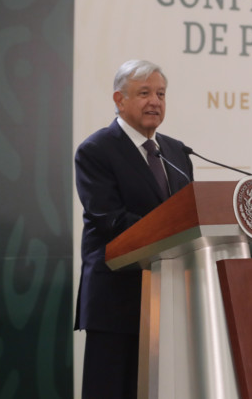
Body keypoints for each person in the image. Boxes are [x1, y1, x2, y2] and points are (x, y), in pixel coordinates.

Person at [74, 60, 194, 398]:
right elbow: (108, 218)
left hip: (167, 296)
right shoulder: (96, 150)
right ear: (119, 99)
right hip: (116, 298)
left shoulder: (176, 151)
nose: (155, 101)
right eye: (144, 93)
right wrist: (175, 232)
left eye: (161, 93)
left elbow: (190, 214)